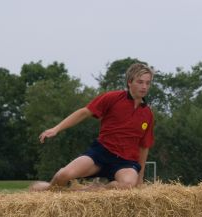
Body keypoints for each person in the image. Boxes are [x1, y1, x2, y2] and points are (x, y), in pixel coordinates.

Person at [29, 63, 155, 192]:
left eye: (147, 83)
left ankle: (89, 191)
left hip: (126, 162)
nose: (144, 87)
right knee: (63, 175)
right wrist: (56, 128)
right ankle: (46, 188)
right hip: (101, 153)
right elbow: (84, 112)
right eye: (140, 82)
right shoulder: (112, 98)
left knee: (128, 184)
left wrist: (140, 178)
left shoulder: (148, 114)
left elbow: (144, 146)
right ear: (129, 82)